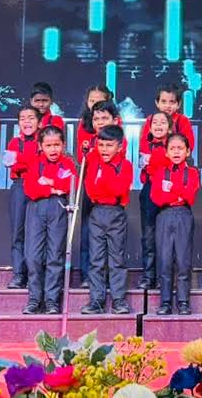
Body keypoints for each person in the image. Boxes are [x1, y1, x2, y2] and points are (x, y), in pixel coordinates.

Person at [21, 126, 77, 315]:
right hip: (36, 208)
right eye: (48, 145)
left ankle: (52, 300)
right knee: (33, 255)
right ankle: (34, 299)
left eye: (56, 145)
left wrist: (49, 182)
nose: (53, 149)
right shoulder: (34, 163)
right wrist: (53, 189)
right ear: (40, 146)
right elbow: (30, 189)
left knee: (55, 254)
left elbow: (69, 185)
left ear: (63, 145)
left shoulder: (67, 164)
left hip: (58, 208)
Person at [81, 125, 134, 315]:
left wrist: (103, 181)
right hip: (97, 212)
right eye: (101, 145)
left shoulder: (125, 165)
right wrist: (104, 186)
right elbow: (90, 189)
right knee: (96, 258)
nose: (104, 149)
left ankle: (119, 300)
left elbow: (119, 189)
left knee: (116, 258)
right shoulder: (94, 163)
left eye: (109, 145)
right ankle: (96, 300)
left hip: (115, 213)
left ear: (119, 147)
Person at [151, 133, 201, 315]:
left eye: (180, 148)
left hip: (183, 215)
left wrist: (172, 189)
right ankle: (165, 302)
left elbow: (190, 196)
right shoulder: (160, 172)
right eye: (172, 148)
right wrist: (178, 193)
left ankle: (183, 301)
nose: (176, 152)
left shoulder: (192, 173)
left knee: (183, 260)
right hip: (164, 215)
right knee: (164, 260)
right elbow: (157, 197)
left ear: (187, 152)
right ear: (166, 152)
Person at [76, 99, 124, 287]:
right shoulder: (89, 142)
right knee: (88, 234)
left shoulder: (118, 141)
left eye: (105, 118)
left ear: (115, 120)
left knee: (112, 244)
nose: (100, 122)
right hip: (92, 194)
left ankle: (110, 279)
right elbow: (85, 165)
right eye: (96, 119)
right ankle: (88, 276)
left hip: (111, 200)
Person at [2, 105, 41, 289]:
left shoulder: (44, 142)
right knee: (18, 231)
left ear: (39, 122)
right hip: (20, 186)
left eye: (31, 118)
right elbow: (12, 164)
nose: (27, 122)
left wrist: (21, 159)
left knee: (37, 233)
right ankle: (19, 274)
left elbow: (39, 163)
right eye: (23, 118)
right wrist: (28, 161)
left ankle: (36, 274)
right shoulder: (14, 143)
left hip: (39, 185)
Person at [137, 111, 173, 290]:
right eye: (155, 122)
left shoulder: (174, 147)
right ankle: (148, 275)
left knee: (167, 237)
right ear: (149, 128)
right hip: (149, 190)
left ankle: (165, 277)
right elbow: (148, 167)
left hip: (168, 189)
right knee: (148, 236)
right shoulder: (146, 146)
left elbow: (166, 166)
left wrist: (156, 162)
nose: (158, 125)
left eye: (163, 122)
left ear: (170, 128)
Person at [139, 83, 195, 154]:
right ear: (157, 103)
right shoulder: (151, 119)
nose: (167, 106)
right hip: (154, 156)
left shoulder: (182, 120)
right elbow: (144, 143)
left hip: (177, 156)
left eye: (172, 102)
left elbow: (189, 144)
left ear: (178, 104)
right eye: (163, 101)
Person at [76, 85, 116, 158]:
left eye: (99, 101)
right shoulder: (83, 122)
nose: (95, 104)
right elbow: (81, 155)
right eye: (92, 101)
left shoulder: (115, 120)